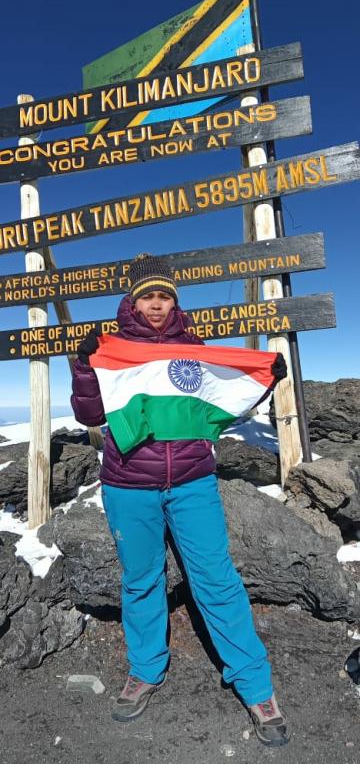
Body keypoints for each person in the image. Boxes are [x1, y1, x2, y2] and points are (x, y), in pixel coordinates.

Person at [71, 253, 290, 747]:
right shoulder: (116, 350)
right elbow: (90, 413)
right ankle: (145, 669)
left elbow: (223, 399)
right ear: (132, 301)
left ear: (174, 301)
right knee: (141, 580)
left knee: (217, 579)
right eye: (147, 295)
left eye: (164, 295)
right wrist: (86, 367)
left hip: (193, 482)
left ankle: (255, 685)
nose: (155, 304)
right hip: (128, 485)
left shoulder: (194, 349)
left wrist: (263, 377)